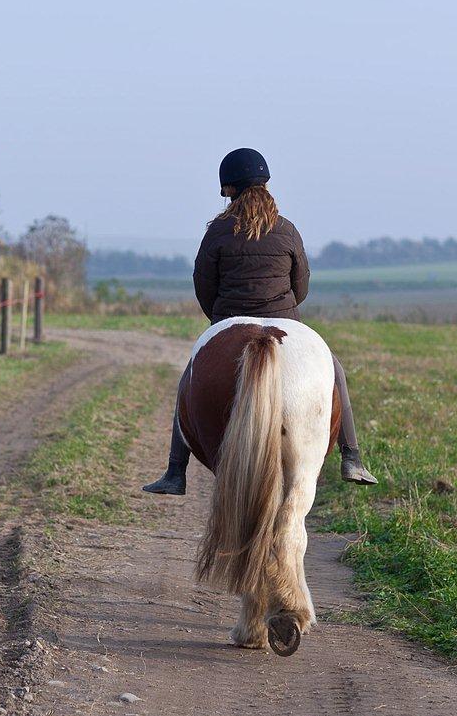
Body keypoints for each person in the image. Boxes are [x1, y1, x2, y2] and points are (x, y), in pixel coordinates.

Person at [143, 147, 377, 496]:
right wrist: (284, 311)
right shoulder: (287, 229)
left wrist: (220, 319)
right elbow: (301, 285)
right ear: (265, 186)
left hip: (228, 318)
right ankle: (352, 457)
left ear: (229, 190)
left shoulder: (218, 232)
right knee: (334, 370)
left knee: (190, 375)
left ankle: (176, 470)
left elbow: (203, 284)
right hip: (286, 318)